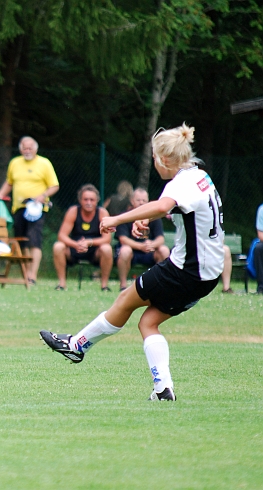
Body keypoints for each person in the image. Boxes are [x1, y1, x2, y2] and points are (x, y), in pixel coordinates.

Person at [40, 123, 224, 401]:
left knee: (126, 299)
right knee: (148, 322)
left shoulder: (180, 183)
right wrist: (146, 218)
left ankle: (77, 345)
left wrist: (117, 218)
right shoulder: (199, 176)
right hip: (207, 275)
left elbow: (164, 205)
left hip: (185, 270)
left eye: (153, 158)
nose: (154, 163)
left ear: (164, 160)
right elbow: (181, 209)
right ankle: (163, 389)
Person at [0, 136, 59, 285]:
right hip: (19, 208)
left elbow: (54, 186)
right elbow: (9, 183)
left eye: (30, 148)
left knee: (34, 241)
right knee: (21, 241)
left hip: (37, 209)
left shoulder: (44, 163)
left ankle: (32, 275)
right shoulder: (14, 163)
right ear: (20, 149)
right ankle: (26, 273)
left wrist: (42, 196)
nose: (27, 150)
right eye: (25, 148)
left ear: (36, 149)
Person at [52, 184, 113, 291]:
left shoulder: (102, 213)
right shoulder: (73, 211)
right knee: (58, 246)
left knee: (107, 249)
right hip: (75, 248)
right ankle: (61, 284)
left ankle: (104, 286)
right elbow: (61, 235)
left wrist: (89, 242)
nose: (88, 203)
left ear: (97, 201)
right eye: (85, 199)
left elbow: (106, 239)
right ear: (80, 200)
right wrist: (76, 245)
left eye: (92, 200)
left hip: (95, 250)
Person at [114, 188, 170, 290]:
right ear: (132, 201)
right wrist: (140, 246)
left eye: (144, 200)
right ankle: (123, 286)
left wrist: (152, 244)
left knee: (164, 250)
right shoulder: (125, 216)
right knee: (125, 250)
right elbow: (123, 239)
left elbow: (161, 239)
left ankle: (160, 285)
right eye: (138, 200)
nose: (141, 203)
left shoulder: (154, 217)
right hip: (132, 251)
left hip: (149, 251)